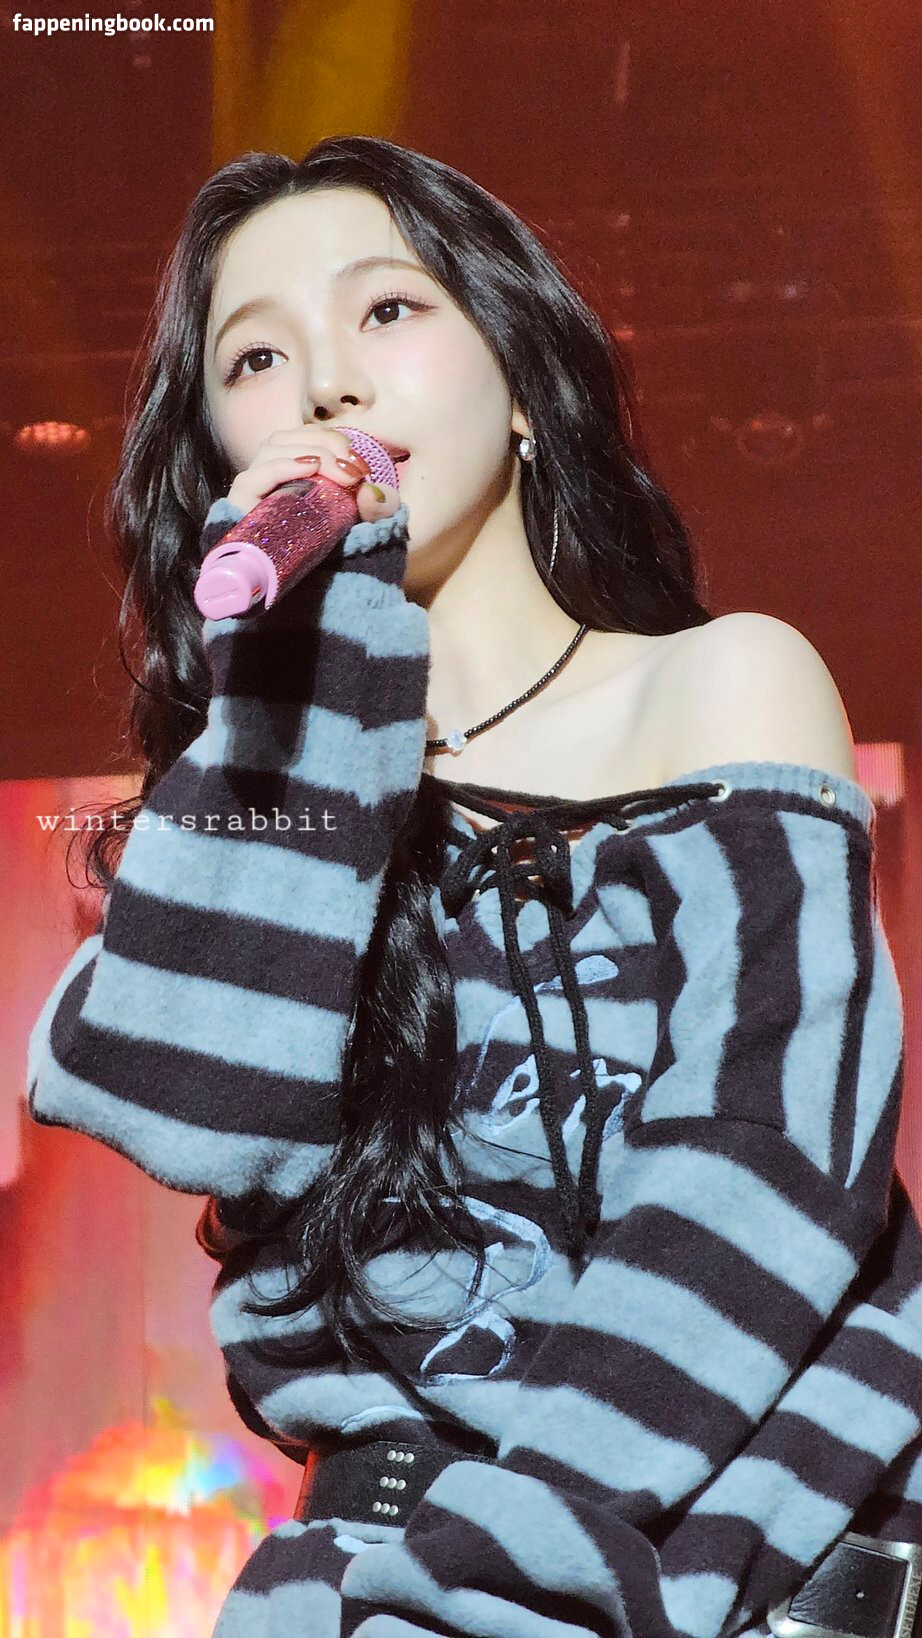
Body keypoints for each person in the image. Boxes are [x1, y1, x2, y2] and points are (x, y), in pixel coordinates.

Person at [26, 135, 922, 1638]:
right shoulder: (255, 796)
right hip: (382, 1571)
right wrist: (299, 687)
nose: (326, 385)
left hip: (716, 1569)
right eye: (256, 357)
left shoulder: (721, 687)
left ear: (515, 382)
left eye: (386, 311)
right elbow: (185, 1109)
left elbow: (770, 1170)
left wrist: (498, 1570)